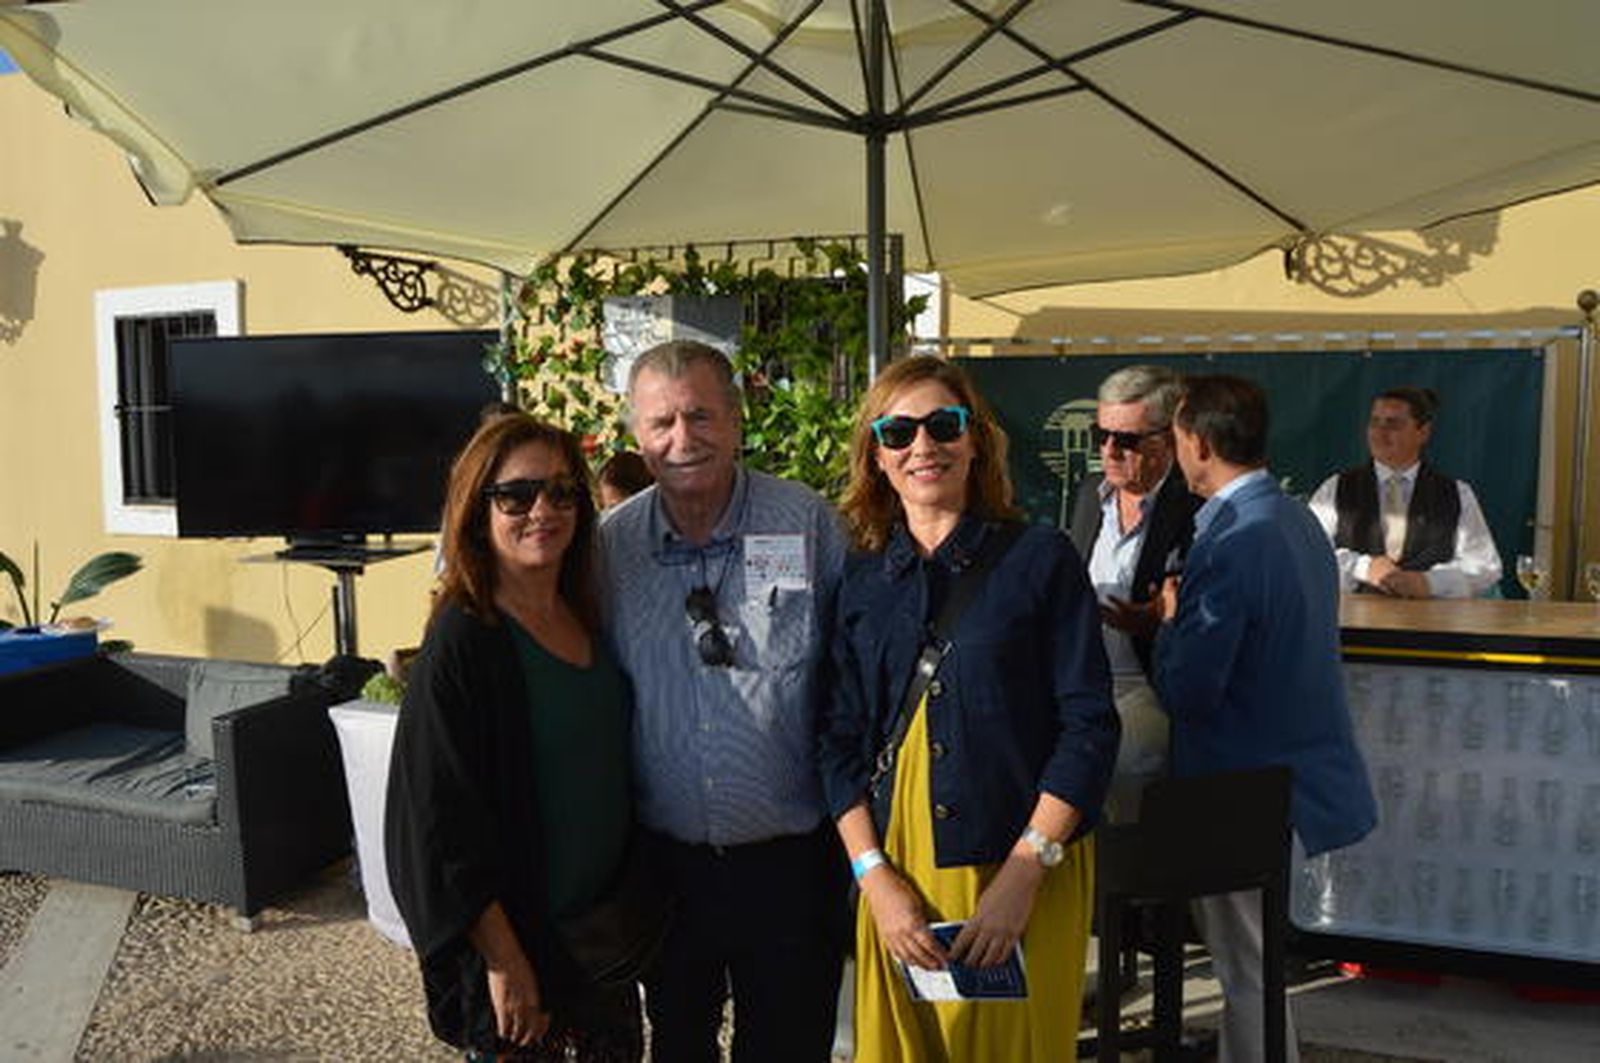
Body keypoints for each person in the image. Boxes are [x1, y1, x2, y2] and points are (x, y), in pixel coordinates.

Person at [819, 355, 1119, 1061]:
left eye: (943, 424)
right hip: (900, 874)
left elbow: (1089, 724)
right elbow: (834, 741)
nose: (923, 445)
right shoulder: (860, 581)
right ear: (877, 458)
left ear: (976, 439)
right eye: (898, 433)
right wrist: (875, 879)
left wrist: (1025, 869)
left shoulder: (1040, 558)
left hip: (1025, 865)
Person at [598, 340, 848, 1063]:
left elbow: (853, 675)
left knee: (790, 1045)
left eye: (701, 415)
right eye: (661, 423)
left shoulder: (806, 522)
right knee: (678, 1043)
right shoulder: (611, 548)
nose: (683, 439)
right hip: (668, 869)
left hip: (791, 866)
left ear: (737, 420)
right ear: (637, 437)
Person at [387, 413, 644, 1061]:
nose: (543, 510)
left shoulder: (585, 613)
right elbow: (437, 822)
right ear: (478, 509)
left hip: (598, 948)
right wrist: (503, 959)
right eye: (516, 495)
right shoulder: (466, 638)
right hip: (524, 952)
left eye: (562, 492)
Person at [1154, 375, 1377, 1063]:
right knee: (1257, 969)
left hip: (1238, 787)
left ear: (1195, 441)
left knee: (1248, 973)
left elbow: (1190, 689)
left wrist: (1166, 625)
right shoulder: (1293, 518)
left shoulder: (1234, 539)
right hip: (1288, 780)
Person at [1067, 364, 1200, 823]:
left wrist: (1159, 620)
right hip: (1080, 683)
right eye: (1099, 435)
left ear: (1165, 441)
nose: (1108, 450)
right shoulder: (1088, 494)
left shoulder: (1194, 507)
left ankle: (1124, 886)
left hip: (1148, 685)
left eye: (1124, 440)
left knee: (1119, 760)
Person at [1308, 386, 1502, 598]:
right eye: (1374, 422)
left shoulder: (1456, 493)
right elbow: (1306, 554)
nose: (1380, 433)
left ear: (1423, 432)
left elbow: (1485, 567)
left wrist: (1430, 583)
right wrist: (1361, 567)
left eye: (1393, 424)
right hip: (1352, 627)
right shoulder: (1335, 488)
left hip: (1429, 626)